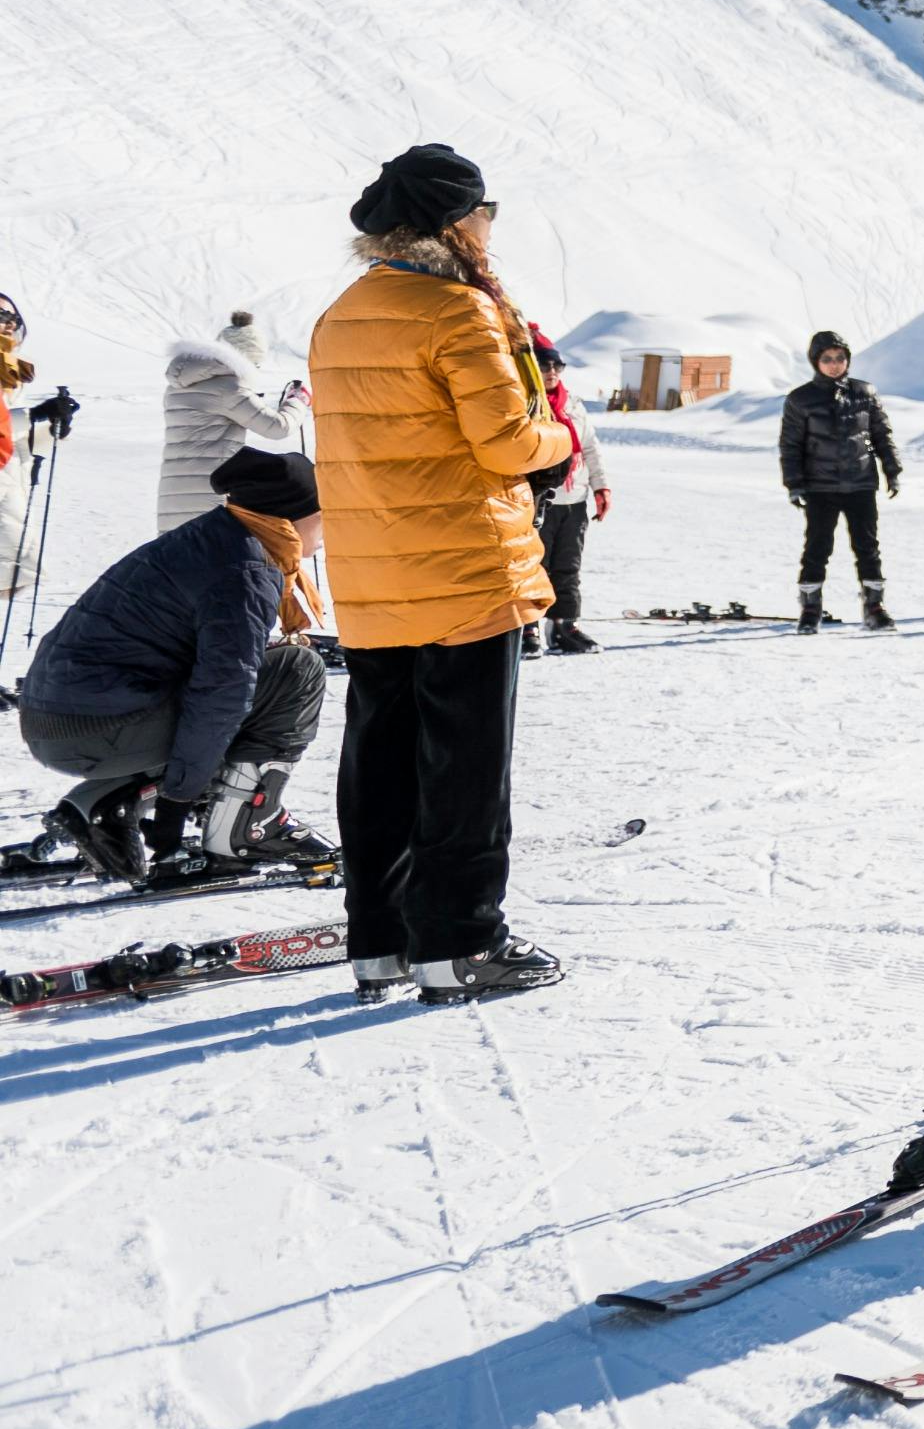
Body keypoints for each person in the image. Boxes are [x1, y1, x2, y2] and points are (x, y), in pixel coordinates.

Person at [311, 143, 575, 1002]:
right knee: (463, 768)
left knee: (378, 761)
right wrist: (562, 439)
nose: (491, 229)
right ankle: (461, 943)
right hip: (464, 568)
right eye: (485, 214)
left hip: (373, 572)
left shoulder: (342, 311)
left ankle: (378, 943)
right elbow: (505, 440)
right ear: (456, 223)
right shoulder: (457, 312)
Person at [15, 446, 336, 884]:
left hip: (60, 721)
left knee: (259, 676)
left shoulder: (215, 536)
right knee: (296, 671)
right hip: (97, 729)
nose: (331, 526)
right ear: (291, 516)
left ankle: (103, 803)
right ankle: (244, 827)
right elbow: (221, 698)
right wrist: (176, 803)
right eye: (325, 512)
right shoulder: (243, 570)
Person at [779, 329, 904, 633]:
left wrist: (892, 470)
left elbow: (881, 435)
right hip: (820, 487)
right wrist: (794, 484)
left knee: (867, 547)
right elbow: (790, 445)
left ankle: (875, 607)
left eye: (840, 358)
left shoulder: (865, 393)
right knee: (817, 548)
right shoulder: (800, 399)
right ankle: (810, 609)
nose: (835, 364)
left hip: (861, 484)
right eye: (827, 359)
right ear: (816, 362)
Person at [156, 310, 302, 536]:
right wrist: (298, 401)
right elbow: (277, 428)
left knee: (180, 564)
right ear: (245, 359)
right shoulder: (228, 388)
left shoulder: (179, 385)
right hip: (210, 495)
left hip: (172, 497)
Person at [523, 321, 610, 655]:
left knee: (568, 567)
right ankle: (527, 628)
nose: (552, 371)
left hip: (575, 499)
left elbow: (590, 447)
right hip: (538, 500)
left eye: (556, 364)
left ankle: (564, 627)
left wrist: (602, 488)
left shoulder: (571, 403)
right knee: (534, 566)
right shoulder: (526, 403)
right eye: (544, 364)